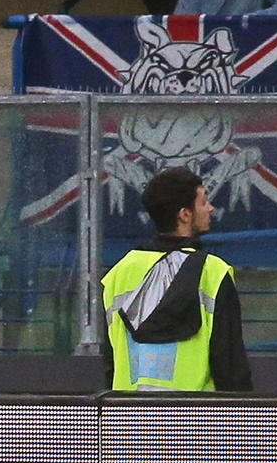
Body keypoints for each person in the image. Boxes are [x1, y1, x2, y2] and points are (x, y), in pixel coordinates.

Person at [101, 167, 252, 392]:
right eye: (203, 202)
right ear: (184, 214)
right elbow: (230, 366)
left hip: (129, 419)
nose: (210, 209)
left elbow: (111, 362)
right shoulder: (213, 272)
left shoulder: (118, 274)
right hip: (195, 420)